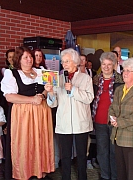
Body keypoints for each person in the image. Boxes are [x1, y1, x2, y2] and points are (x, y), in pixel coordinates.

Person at [1, 46, 54, 180]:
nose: (29, 59)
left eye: (30, 57)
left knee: (41, 141)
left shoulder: (41, 71)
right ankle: (25, 172)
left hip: (42, 112)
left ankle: (40, 172)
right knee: (25, 143)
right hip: (23, 114)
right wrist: (31, 100)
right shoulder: (11, 74)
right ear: (19, 60)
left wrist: (42, 95)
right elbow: (10, 97)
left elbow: (48, 87)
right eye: (26, 57)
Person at [45, 48, 94, 180]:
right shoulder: (58, 78)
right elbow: (53, 104)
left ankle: (82, 177)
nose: (64, 64)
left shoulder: (86, 78)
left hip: (81, 122)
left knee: (82, 155)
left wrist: (73, 90)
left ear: (75, 62)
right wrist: (50, 92)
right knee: (65, 155)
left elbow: (89, 98)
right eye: (63, 61)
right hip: (64, 122)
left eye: (67, 61)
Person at [92, 52, 124, 180]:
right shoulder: (95, 80)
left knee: (114, 151)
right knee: (102, 151)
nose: (106, 67)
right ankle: (105, 176)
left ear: (115, 65)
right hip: (99, 120)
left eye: (109, 64)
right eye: (103, 64)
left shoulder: (121, 80)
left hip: (114, 121)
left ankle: (115, 177)